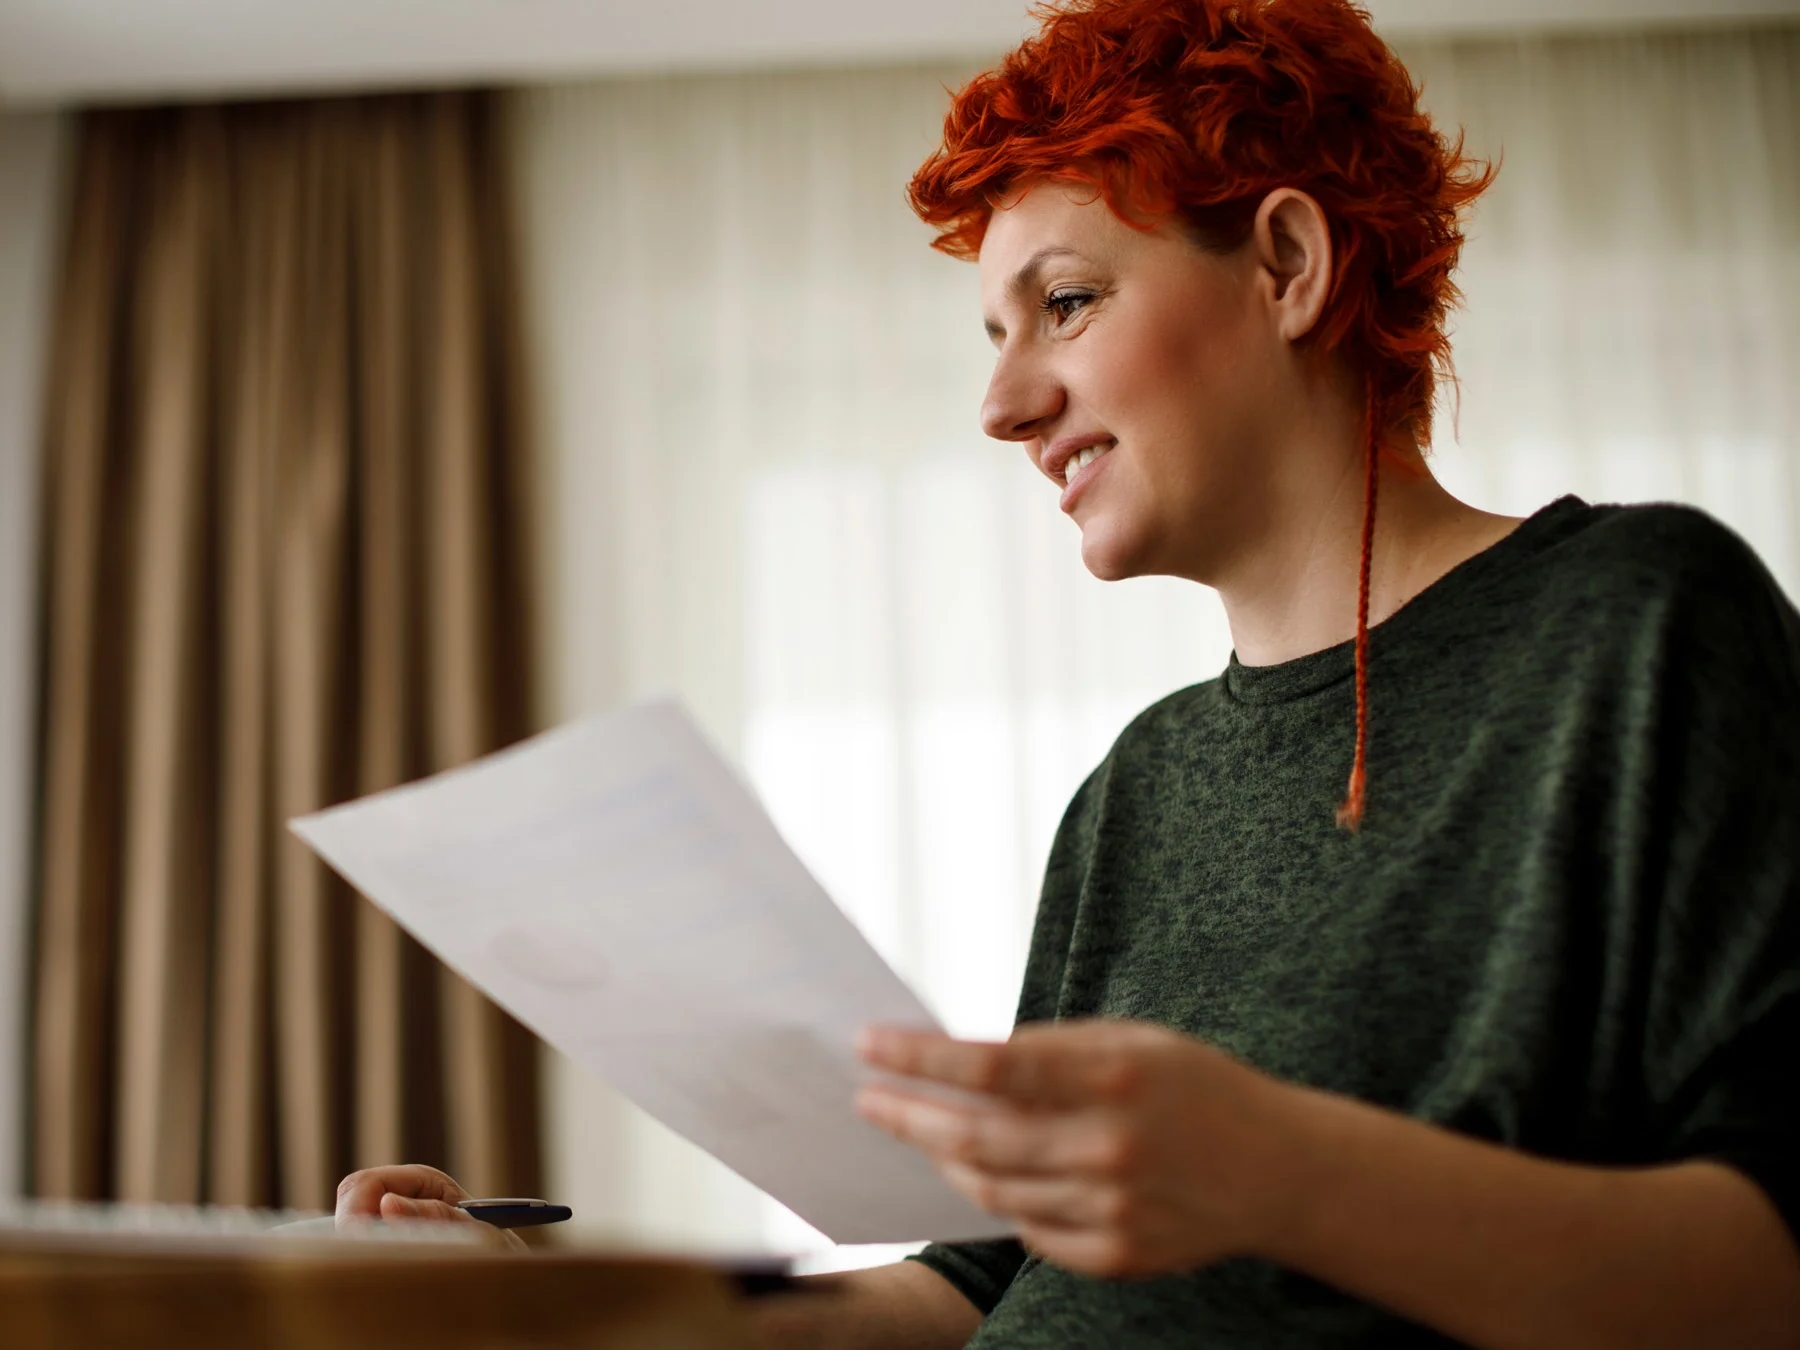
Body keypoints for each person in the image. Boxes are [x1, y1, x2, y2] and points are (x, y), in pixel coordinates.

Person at [336, 0, 1800, 1344]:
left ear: (1288, 266)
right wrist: (570, 1311)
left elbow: (1769, 1269)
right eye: (994, 335)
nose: (1001, 404)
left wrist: (1280, 1168)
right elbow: (984, 1283)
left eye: (1068, 303)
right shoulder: (1136, 792)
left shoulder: (1639, 625)